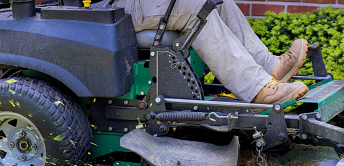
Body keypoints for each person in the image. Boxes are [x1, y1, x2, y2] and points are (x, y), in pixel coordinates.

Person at [92, 0, 309, 105]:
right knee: (197, 7)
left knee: (219, 2)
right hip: (107, 7)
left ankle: (269, 68)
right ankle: (256, 90)